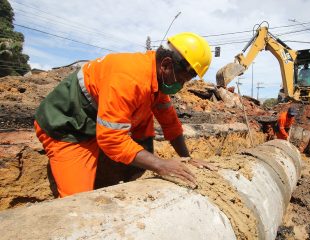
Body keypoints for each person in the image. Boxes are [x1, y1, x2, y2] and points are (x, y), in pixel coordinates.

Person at [34, 32, 215, 197]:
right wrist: (160, 165)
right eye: (182, 80)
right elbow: (111, 138)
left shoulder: (155, 77)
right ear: (166, 65)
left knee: (146, 115)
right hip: (68, 125)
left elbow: (170, 123)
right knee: (77, 200)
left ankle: (116, 173)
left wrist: (187, 158)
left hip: (98, 117)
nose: (181, 86)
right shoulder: (129, 79)